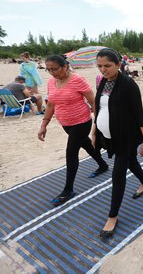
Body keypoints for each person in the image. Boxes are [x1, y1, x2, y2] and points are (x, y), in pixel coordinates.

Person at [92, 48, 143, 238]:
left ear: (119, 64)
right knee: (130, 162)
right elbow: (98, 109)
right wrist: (94, 131)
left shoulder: (128, 84)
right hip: (108, 137)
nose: (103, 70)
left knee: (118, 174)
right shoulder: (102, 83)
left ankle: (112, 216)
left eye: (107, 66)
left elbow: (139, 114)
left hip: (126, 136)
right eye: (100, 66)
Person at [37, 55, 109, 206]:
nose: (51, 72)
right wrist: (44, 124)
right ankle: (103, 165)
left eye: (54, 69)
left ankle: (68, 189)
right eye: (48, 69)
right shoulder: (51, 82)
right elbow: (50, 105)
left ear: (64, 66)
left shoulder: (78, 80)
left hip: (82, 122)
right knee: (87, 145)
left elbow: (92, 101)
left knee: (71, 153)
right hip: (65, 123)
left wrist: (98, 122)